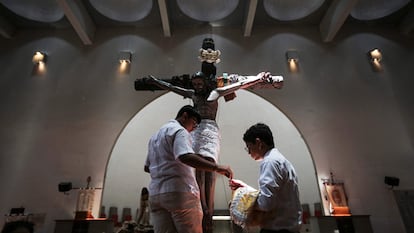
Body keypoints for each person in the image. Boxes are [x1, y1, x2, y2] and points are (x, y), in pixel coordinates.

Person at [145, 71, 281, 233]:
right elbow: (172, 87)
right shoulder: (188, 107)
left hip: (209, 131)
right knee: (198, 170)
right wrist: (156, 82)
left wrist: (257, 78)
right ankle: (203, 207)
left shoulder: (215, 93)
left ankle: (208, 209)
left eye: (200, 83)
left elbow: (238, 85)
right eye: (194, 84)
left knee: (208, 167)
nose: (197, 86)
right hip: (193, 145)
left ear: (206, 82)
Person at [144, 105, 233, 233]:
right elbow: (184, 156)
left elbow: (147, 167)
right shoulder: (180, 131)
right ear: (185, 116)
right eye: (194, 123)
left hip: (156, 194)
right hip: (179, 193)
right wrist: (216, 167)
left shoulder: (155, 136)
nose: (194, 128)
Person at [230, 123, 302, 233]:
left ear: (259, 143)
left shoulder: (269, 162)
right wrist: (246, 188)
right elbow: (273, 196)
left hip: (276, 230)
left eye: (249, 147)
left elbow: (266, 203)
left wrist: (241, 197)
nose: (249, 152)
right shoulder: (280, 160)